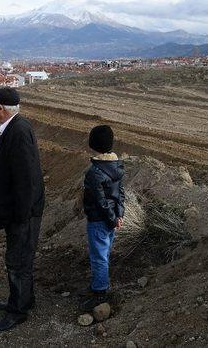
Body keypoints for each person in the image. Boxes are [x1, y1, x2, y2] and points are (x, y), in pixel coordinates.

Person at [0, 87, 45, 332]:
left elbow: (26, 178)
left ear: (0, 109)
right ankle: (23, 300)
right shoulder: (14, 127)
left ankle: (17, 310)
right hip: (20, 211)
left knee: (17, 261)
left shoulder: (18, 131)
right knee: (20, 259)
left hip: (24, 213)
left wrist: (20, 215)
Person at [80, 125, 125, 311]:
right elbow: (120, 194)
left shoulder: (94, 172)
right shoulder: (117, 166)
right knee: (104, 254)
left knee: (98, 257)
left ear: (93, 144)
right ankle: (99, 285)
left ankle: (100, 292)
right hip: (111, 219)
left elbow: (100, 201)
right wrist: (119, 215)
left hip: (99, 220)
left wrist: (113, 218)